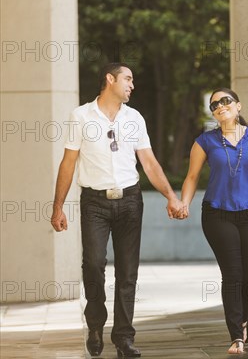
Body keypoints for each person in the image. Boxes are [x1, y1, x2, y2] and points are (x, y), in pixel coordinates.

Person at [50, 63, 183, 358]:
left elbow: (148, 162)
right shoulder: (81, 116)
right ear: (109, 80)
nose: (132, 85)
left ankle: (124, 337)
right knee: (94, 264)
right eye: (128, 79)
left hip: (130, 201)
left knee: (127, 273)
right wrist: (58, 207)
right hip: (94, 202)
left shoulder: (134, 117)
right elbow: (68, 163)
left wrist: (171, 197)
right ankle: (95, 323)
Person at [177, 87, 248, 354]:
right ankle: (236, 335)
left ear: (238, 106)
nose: (220, 106)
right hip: (217, 214)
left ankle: (244, 319)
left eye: (226, 101)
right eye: (215, 104)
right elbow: (192, 177)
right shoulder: (205, 141)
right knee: (233, 275)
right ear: (213, 113)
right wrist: (184, 203)